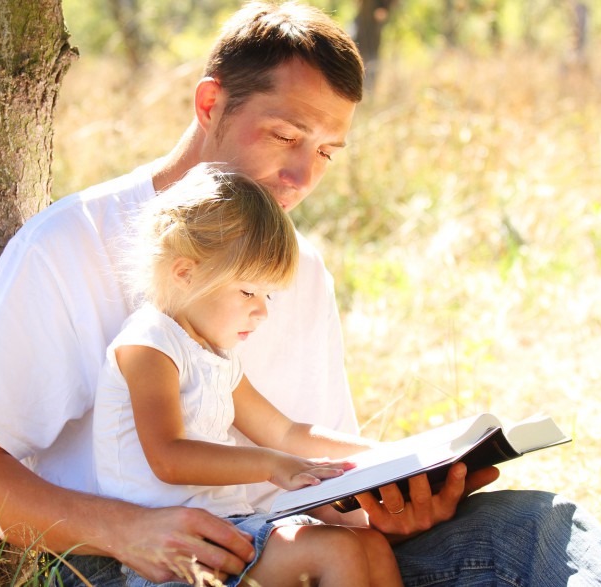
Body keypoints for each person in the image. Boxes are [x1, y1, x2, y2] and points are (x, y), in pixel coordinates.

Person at [0, 2, 601, 586]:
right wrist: (125, 529)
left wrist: (403, 485)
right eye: (285, 135)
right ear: (211, 102)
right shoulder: (72, 244)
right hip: (148, 564)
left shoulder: (296, 267)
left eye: (327, 152)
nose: (303, 176)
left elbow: (307, 464)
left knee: (538, 529)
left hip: (292, 551)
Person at [95, 163, 402, 586]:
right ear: (185, 274)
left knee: (370, 545)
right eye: (247, 292)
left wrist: (383, 456)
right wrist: (271, 466)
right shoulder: (150, 344)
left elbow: (285, 432)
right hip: (173, 558)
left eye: (267, 294)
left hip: (231, 531)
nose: (262, 310)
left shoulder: (215, 356)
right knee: (338, 549)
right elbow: (168, 456)